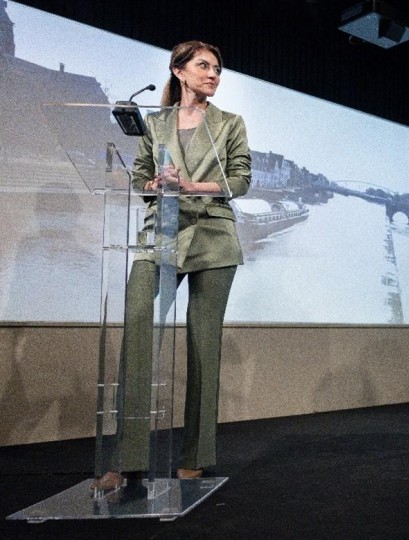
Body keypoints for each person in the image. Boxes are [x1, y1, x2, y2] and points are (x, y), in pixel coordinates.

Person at [93, 40, 251, 490]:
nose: (213, 75)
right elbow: (142, 177)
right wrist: (156, 181)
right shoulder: (156, 123)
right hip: (158, 237)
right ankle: (127, 460)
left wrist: (191, 185)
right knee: (137, 331)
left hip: (214, 239)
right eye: (204, 66)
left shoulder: (230, 124)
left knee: (204, 347)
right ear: (179, 72)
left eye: (218, 69)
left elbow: (239, 180)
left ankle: (197, 455)